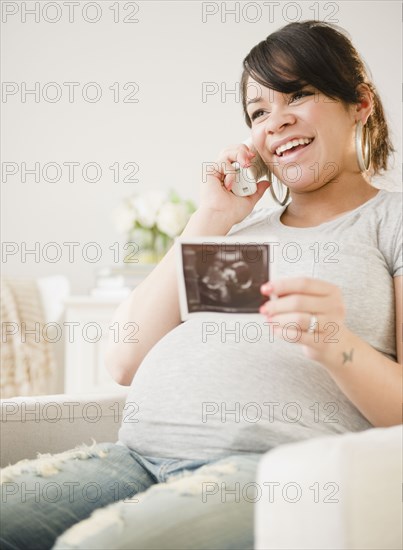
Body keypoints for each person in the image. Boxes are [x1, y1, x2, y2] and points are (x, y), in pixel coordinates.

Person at [1, 20, 401, 550]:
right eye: (259, 112)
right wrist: (211, 218)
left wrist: (337, 344)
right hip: (135, 457)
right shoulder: (234, 229)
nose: (276, 122)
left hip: (263, 471)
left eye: (298, 94)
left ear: (360, 103)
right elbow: (122, 360)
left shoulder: (389, 221)